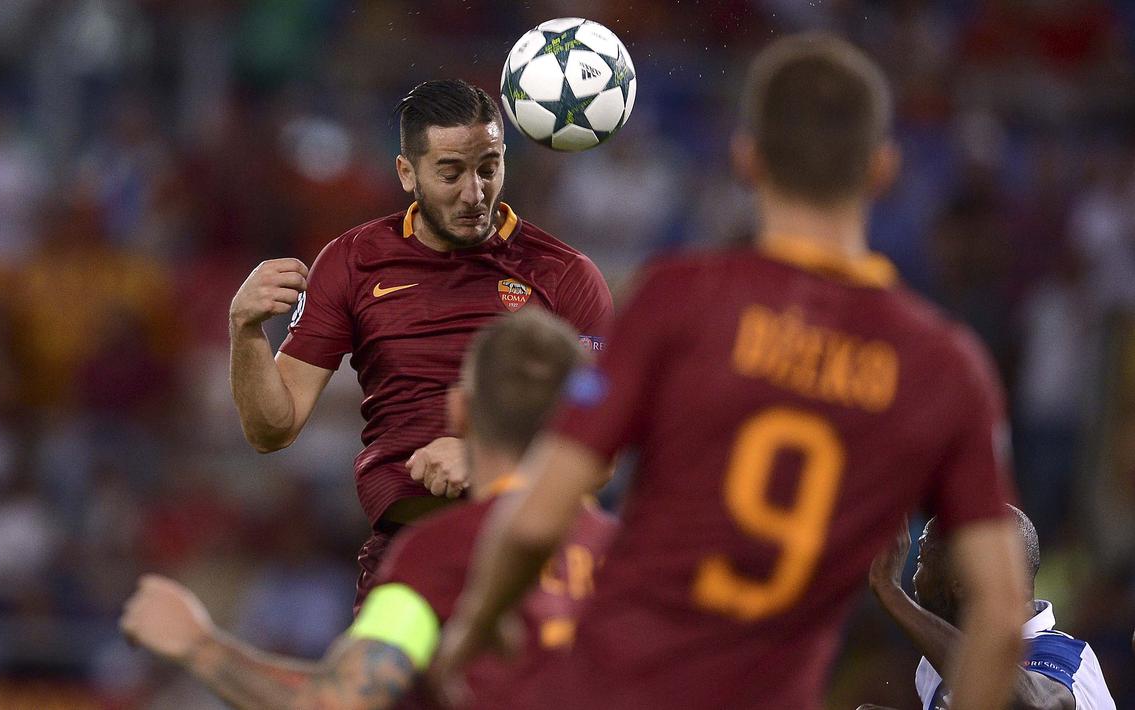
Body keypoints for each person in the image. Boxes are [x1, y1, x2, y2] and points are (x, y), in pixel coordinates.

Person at [434, 33, 1028, 710]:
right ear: (882, 169)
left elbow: (538, 518)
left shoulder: (676, 298)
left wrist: (475, 626)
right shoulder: (943, 367)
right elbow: (1002, 614)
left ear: (746, 160)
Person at [227, 79, 612, 607]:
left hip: (533, 557)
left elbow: (604, 439)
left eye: (489, 168)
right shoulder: (353, 262)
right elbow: (274, 428)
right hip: (407, 559)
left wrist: (486, 455)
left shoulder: (565, 275)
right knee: (369, 692)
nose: (474, 193)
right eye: (451, 173)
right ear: (407, 173)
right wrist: (245, 332)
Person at [121, 310, 617, 710]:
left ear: (460, 411)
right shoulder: (627, 550)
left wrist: (198, 645)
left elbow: (338, 701)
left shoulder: (440, 555)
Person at [867, 506, 1116, 710]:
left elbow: (1034, 705)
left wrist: (891, 593)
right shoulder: (934, 669)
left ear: (962, 581)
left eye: (922, 561)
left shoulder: (1068, 659)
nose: (913, 578)